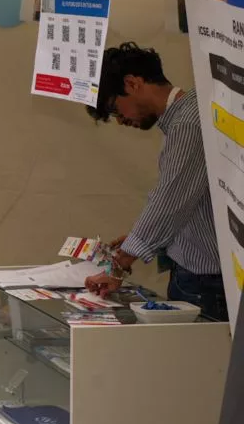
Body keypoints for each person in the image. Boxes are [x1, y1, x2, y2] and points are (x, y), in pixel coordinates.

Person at [84, 43, 227, 321]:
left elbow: (170, 203)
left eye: (116, 108)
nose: (121, 120)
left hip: (207, 282)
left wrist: (121, 264)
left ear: (133, 83)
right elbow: (193, 203)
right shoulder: (189, 113)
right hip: (203, 276)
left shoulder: (188, 124)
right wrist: (142, 239)